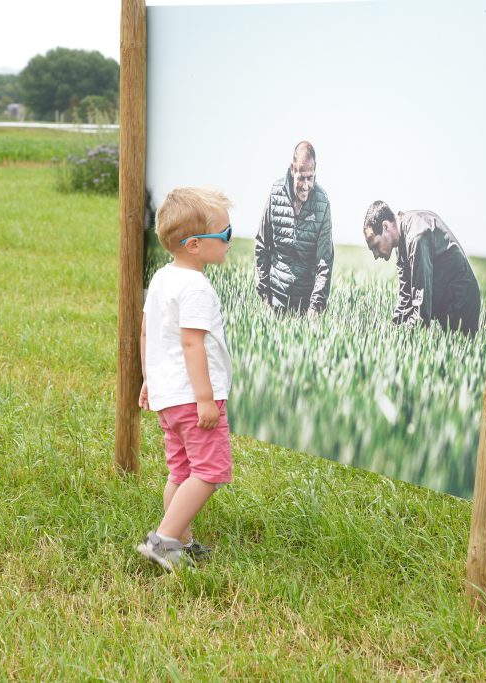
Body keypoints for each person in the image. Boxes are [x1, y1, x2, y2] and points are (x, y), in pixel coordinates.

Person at [137, 187, 235, 572]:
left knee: (181, 471)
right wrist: (206, 399)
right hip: (193, 399)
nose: (230, 241)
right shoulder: (197, 287)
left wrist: (149, 379)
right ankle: (164, 540)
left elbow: (147, 333)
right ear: (195, 245)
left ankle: (185, 542)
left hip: (167, 396)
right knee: (210, 472)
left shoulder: (162, 278)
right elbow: (192, 344)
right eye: (225, 235)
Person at [362, 201, 481, 336]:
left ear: (385, 226)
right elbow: (405, 298)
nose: (376, 255)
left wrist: (396, 335)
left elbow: (421, 314)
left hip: (461, 303)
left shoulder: (416, 238)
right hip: (446, 303)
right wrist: (391, 330)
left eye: (375, 246)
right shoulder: (400, 243)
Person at [255, 141, 334, 314]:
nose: (306, 185)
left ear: (316, 170)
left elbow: (324, 263)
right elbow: (262, 246)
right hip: (275, 300)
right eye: (301, 178)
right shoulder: (275, 193)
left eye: (310, 177)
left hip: (306, 306)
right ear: (293, 169)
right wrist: (265, 297)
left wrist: (315, 308)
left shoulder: (323, 203)